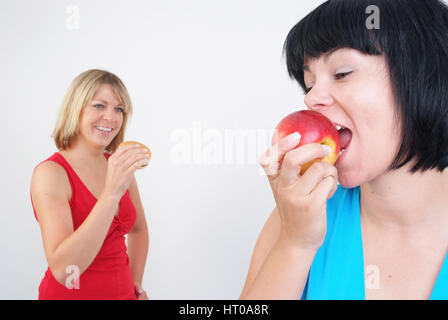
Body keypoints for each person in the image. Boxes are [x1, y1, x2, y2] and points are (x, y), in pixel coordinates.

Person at [240, 0, 448, 300]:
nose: (311, 99)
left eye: (342, 73)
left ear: (423, 76)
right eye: (309, 84)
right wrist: (295, 243)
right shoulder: (297, 220)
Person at [30, 69, 150, 300]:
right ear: (76, 108)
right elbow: (65, 271)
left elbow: (139, 229)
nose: (111, 117)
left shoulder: (117, 166)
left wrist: (135, 284)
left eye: (119, 109)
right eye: (99, 105)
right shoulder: (51, 174)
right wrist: (111, 194)